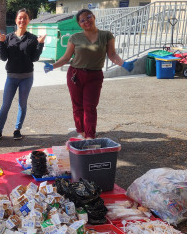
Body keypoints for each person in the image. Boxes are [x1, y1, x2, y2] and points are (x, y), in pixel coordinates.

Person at [44, 8, 135, 139]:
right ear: (79, 24)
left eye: (88, 17)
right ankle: (81, 132)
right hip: (75, 75)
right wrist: (52, 66)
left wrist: (124, 63)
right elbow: (66, 58)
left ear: (93, 17)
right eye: (82, 20)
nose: (86, 21)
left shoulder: (106, 35)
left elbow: (112, 54)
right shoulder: (75, 37)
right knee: (77, 106)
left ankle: (90, 136)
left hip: (94, 76)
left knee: (90, 107)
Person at [0, 9, 46, 142]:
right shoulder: (9, 37)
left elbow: (34, 58)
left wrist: (40, 44)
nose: (22, 20)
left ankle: (17, 130)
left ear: (28, 20)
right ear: (16, 20)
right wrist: (2, 43)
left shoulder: (32, 38)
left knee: (22, 104)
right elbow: (4, 58)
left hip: (27, 77)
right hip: (11, 77)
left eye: (25, 18)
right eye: (20, 18)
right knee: (5, 105)